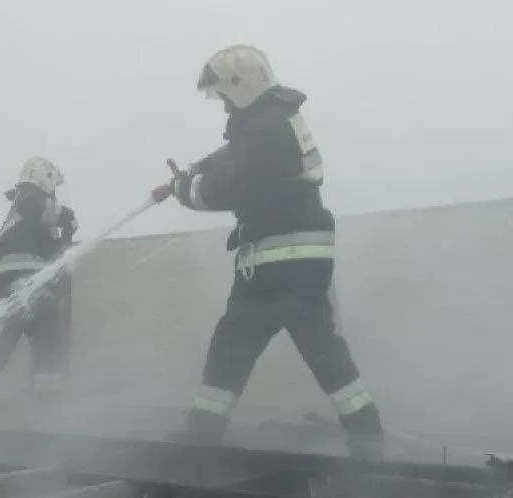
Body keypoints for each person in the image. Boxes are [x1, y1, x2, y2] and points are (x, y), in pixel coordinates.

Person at [153, 45, 384, 458]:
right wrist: (201, 168)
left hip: (285, 264)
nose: (223, 106)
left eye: (223, 96)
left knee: (311, 347)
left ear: (240, 86)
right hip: (273, 266)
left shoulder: (266, 128)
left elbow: (230, 186)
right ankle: (206, 430)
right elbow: (238, 162)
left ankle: (367, 433)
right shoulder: (270, 123)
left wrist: (185, 189)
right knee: (243, 345)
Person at [0, 157, 79, 406]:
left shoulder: (38, 222)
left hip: (23, 288)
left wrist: (66, 240)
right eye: (53, 185)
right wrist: (67, 216)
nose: (54, 191)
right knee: (45, 344)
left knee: (14, 341)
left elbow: (54, 257)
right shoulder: (28, 197)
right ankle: (46, 401)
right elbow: (35, 207)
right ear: (43, 178)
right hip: (25, 283)